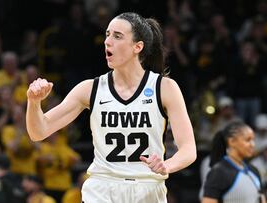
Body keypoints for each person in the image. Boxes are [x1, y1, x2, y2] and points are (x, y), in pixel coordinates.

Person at [26, 12, 196, 202]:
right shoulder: (90, 89)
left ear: (137, 47)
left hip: (148, 188)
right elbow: (38, 132)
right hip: (102, 189)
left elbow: (189, 149)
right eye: (107, 34)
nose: (107, 41)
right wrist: (33, 103)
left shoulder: (164, 88)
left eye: (117, 36)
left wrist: (167, 165)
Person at [201, 121, 267, 203]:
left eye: (253, 140)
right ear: (232, 142)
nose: (252, 144)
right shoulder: (218, 172)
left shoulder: (253, 170)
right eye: (248, 140)